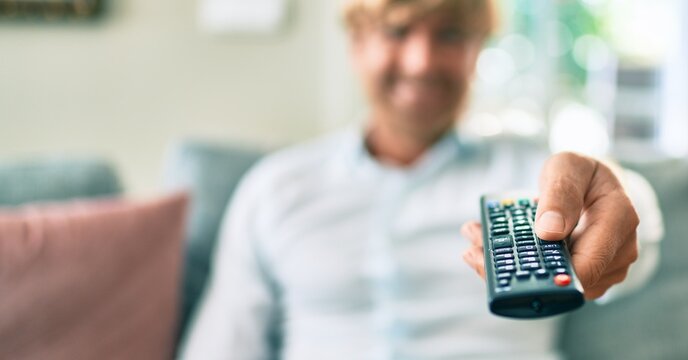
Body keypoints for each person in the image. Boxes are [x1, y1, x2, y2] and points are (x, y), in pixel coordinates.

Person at [180, 0, 663, 359]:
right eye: (398, 31)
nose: (421, 62)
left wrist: (612, 190)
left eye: (450, 35)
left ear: (477, 51)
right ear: (356, 44)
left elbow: (630, 238)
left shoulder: (530, 175)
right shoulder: (273, 189)